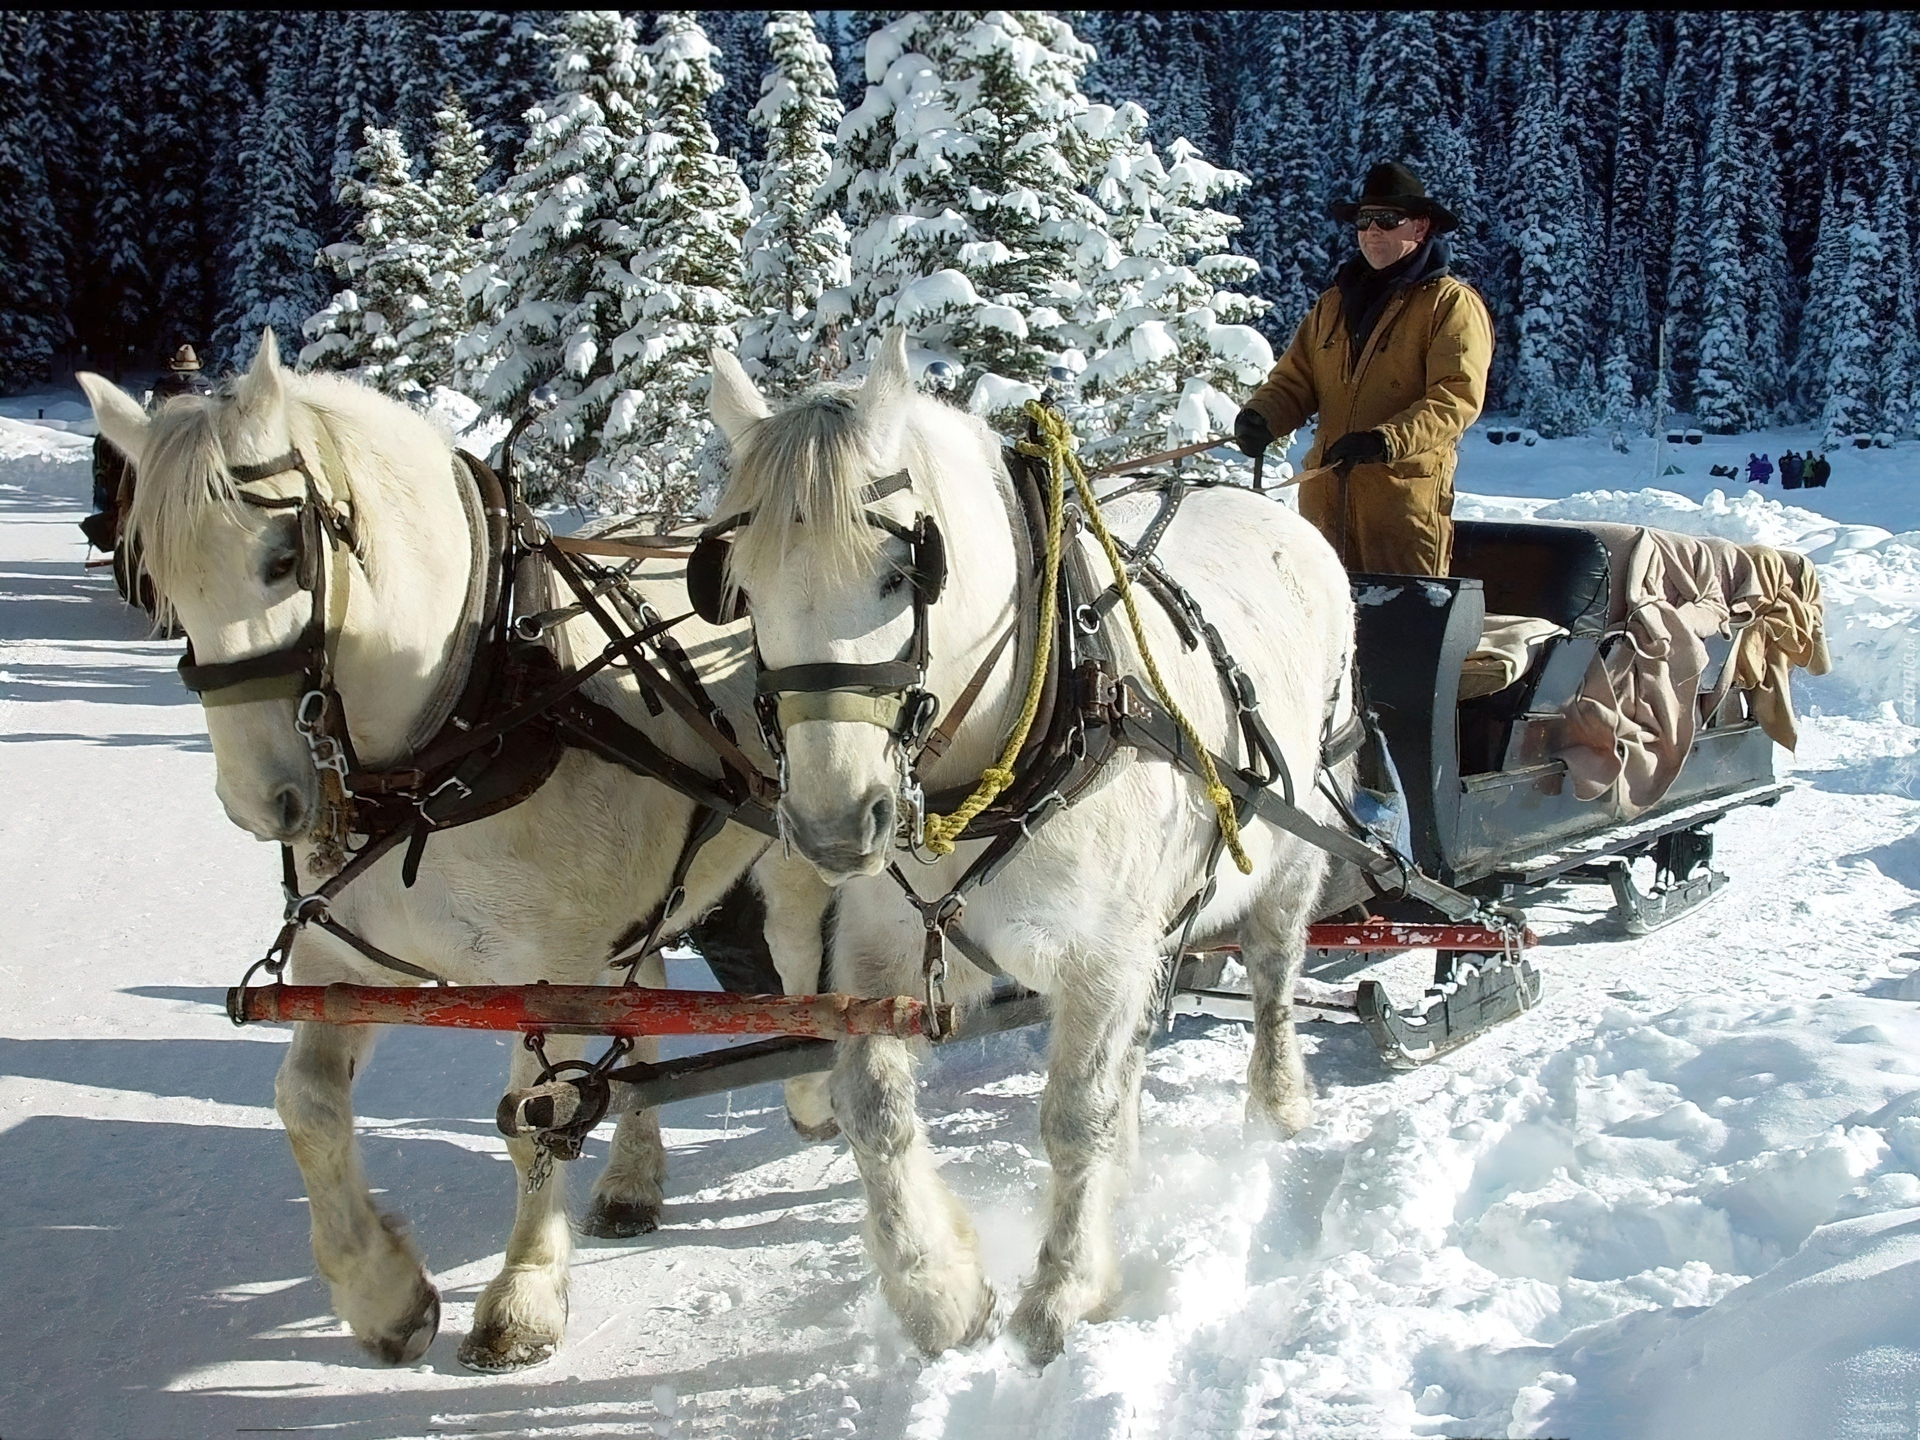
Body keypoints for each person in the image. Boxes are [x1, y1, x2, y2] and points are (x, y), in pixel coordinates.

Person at [1232, 161, 1493, 576]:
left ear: (1421, 228)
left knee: (1397, 635)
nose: (1372, 230)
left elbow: (1455, 397)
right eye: (1364, 219)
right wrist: (1263, 416)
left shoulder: (1450, 304)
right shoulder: (1332, 304)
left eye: (1388, 220)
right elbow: (1296, 379)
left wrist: (1384, 440)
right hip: (1322, 506)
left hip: (1400, 512)